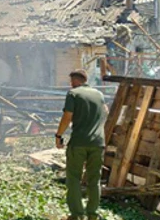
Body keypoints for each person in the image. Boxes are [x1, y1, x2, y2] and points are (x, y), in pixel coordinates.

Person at [55, 69, 106, 220]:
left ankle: (77, 215)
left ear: (76, 81)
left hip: (78, 143)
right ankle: (92, 214)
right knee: (94, 179)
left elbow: (67, 116)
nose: (70, 85)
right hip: (98, 143)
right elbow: (106, 112)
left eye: (71, 82)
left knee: (74, 178)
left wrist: (58, 135)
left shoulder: (73, 94)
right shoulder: (99, 94)